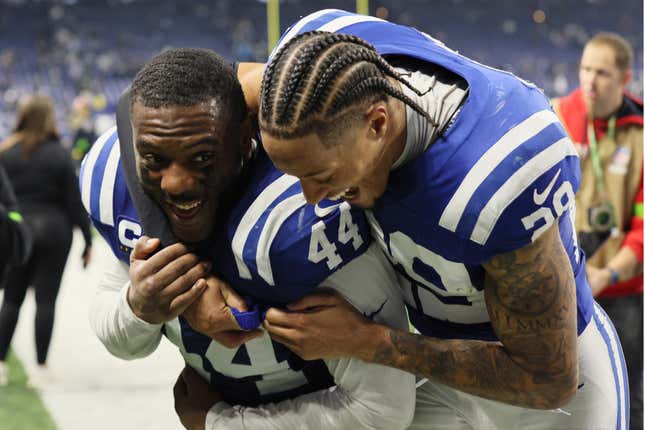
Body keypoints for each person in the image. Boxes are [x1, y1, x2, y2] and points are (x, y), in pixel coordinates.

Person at [254, 10, 628, 430]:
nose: (310, 197)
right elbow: (223, 93)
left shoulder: (494, 177)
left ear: (377, 124)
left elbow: (549, 380)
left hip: (553, 399)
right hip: (439, 374)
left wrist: (366, 341)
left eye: (321, 175)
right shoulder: (312, 72)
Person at [85, 48, 416, 429]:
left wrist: (220, 423)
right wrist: (140, 306)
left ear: (245, 140)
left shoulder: (305, 216)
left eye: (203, 158)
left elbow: (383, 410)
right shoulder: (131, 194)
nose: (175, 184)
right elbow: (123, 341)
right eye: (155, 160)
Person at [552, 32, 643, 430]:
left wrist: (608, 274)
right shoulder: (556, 114)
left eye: (602, 73)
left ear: (624, 78)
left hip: (621, 291)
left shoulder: (640, 135)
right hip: (563, 284)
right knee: (562, 393)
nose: (589, 80)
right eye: (585, 69)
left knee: (626, 396)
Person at [0, 95, 92, 386]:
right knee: (46, 300)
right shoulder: (59, 154)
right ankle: (40, 368)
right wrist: (88, 240)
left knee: (11, 300)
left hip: (18, 231)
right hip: (55, 231)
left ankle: (0, 365)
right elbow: (74, 202)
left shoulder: (6, 152)